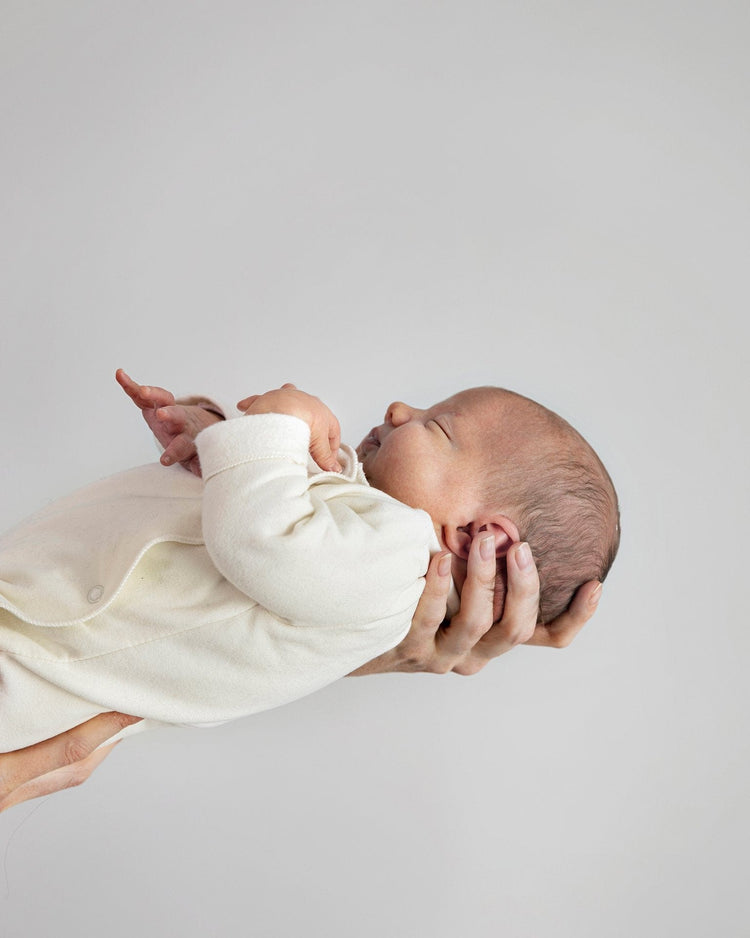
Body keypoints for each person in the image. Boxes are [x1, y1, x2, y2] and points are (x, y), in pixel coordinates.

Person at [0, 372, 616, 761]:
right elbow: (261, 501)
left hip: (29, 666)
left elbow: (258, 538)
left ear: (476, 537)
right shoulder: (359, 521)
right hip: (33, 614)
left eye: (438, 426)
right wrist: (212, 434)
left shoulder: (396, 565)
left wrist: (280, 425)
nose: (401, 407)